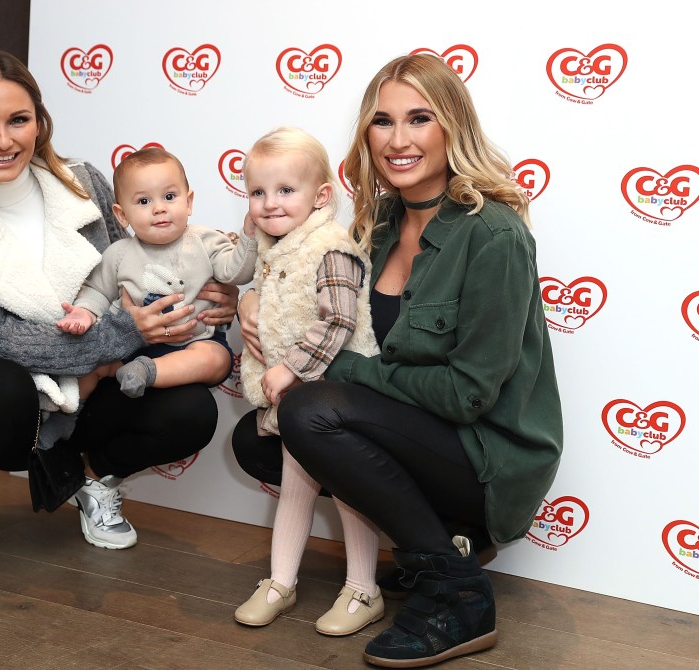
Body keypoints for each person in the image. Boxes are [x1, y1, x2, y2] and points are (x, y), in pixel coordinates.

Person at [0, 50, 238, 607]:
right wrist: (124, 334)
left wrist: (212, 288)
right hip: (17, 411)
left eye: (17, 119)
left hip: (94, 395)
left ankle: (83, 476)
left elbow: (149, 258)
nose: (2, 139)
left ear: (39, 121)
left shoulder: (86, 182)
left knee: (192, 411)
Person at [233, 54, 563, 667]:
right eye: (382, 121)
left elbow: (469, 394)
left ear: (452, 127)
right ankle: (438, 545)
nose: (399, 139)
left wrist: (337, 372)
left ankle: (458, 591)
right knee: (260, 438)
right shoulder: (378, 221)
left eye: (420, 119)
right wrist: (253, 296)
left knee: (308, 410)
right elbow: (313, 284)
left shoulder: (493, 235)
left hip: (486, 454)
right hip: (420, 432)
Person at [231, 128, 386, 637]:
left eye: (285, 191)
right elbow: (265, 293)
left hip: (338, 399)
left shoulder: (331, 247)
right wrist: (246, 301)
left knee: (347, 490)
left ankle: (364, 588)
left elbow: (338, 320)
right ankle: (280, 582)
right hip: (302, 402)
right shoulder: (275, 245)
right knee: (295, 489)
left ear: (321, 196)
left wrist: (290, 368)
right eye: (258, 192)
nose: (269, 204)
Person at [57, 147, 257, 399]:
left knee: (215, 359)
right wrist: (84, 312)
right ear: (121, 215)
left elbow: (235, 273)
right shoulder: (118, 254)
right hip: (134, 345)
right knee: (87, 369)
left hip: (194, 343)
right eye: (144, 201)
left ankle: (148, 371)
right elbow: (97, 290)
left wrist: (249, 237)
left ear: (189, 202)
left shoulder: (206, 241)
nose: (159, 208)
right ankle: (62, 419)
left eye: (170, 196)